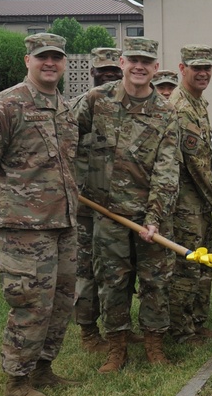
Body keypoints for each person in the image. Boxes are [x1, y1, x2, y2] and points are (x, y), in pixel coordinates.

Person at [0, 33, 80, 396]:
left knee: (62, 299)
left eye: (57, 58)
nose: (50, 63)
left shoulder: (63, 107)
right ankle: (17, 380)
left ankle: (43, 368)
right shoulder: (5, 106)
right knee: (30, 301)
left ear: (64, 63)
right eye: (42, 57)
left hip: (63, 222)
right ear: (27, 60)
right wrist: (4, 205)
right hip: (23, 225)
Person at [72, 37, 180, 373]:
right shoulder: (96, 101)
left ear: (154, 68)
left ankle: (154, 345)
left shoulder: (166, 113)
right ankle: (116, 348)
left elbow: (167, 169)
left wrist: (155, 217)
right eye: (133, 59)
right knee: (112, 282)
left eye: (146, 62)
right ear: (122, 63)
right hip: (106, 214)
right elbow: (67, 141)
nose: (139, 66)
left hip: (150, 216)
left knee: (155, 282)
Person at [167, 46, 212, 341]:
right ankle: (180, 329)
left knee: (205, 260)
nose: (203, 72)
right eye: (196, 68)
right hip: (185, 201)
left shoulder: (198, 103)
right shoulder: (181, 107)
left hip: (199, 200)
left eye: (207, 67)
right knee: (189, 265)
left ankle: (196, 321)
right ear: (183, 69)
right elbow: (197, 165)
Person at [74, 47, 124, 353]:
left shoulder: (124, 106)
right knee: (87, 269)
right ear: (93, 72)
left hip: (117, 203)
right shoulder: (83, 105)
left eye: (113, 72)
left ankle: (115, 327)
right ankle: (88, 332)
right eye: (102, 71)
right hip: (86, 205)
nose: (108, 76)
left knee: (115, 269)